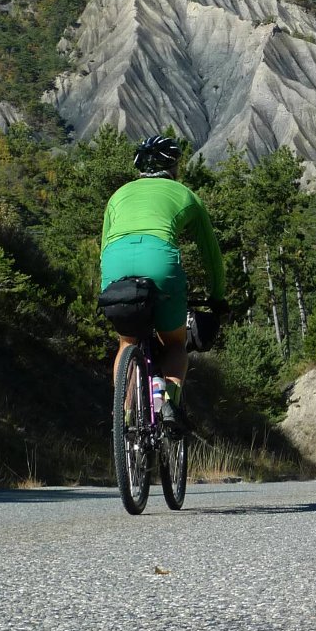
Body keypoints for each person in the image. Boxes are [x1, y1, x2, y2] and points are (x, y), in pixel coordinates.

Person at [100, 134, 226, 424]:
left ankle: (125, 414)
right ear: (174, 167)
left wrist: (106, 292)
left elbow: (104, 248)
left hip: (115, 264)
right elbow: (212, 256)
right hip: (160, 261)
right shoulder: (184, 195)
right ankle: (167, 404)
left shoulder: (118, 195)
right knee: (173, 344)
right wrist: (217, 297)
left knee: (125, 342)